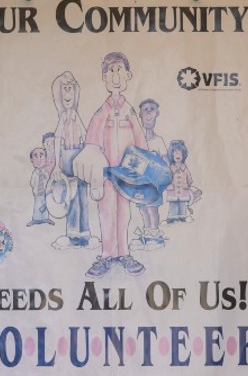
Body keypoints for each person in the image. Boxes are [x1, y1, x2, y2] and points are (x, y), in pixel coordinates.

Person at [73, 52, 148, 276]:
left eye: (119, 71)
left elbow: (140, 140)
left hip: (125, 175)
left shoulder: (130, 112)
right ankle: (107, 255)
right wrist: (95, 165)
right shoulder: (101, 113)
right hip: (105, 175)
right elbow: (92, 141)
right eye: (110, 71)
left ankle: (124, 253)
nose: (115, 76)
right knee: (106, 213)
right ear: (104, 78)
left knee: (124, 212)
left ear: (128, 75)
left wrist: (140, 168)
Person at [49, 70, 91, 247]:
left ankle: (85, 232)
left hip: (78, 157)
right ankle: (73, 233)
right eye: (64, 89)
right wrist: (57, 165)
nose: (68, 94)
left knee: (83, 195)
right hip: (66, 159)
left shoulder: (76, 117)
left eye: (70, 89)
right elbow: (58, 141)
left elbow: (86, 138)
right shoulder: (62, 120)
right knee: (71, 196)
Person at [134, 98, 168, 248]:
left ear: (157, 114)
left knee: (152, 209)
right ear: (139, 115)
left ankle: (154, 233)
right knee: (142, 208)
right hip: (140, 184)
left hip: (154, 184)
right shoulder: (136, 141)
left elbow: (166, 163)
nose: (148, 114)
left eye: (152, 110)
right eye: (145, 110)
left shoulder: (159, 141)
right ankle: (147, 232)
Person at [164, 139, 201, 223]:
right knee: (173, 205)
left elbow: (189, 179)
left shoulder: (185, 169)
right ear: (171, 154)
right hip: (173, 191)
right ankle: (172, 218)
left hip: (183, 191)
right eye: (175, 152)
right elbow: (167, 179)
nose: (178, 154)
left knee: (182, 204)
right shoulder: (170, 169)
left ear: (183, 155)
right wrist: (168, 186)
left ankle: (182, 217)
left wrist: (187, 186)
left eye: (180, 152)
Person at [26, 145, 54, 226]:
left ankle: (45, 218)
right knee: (37, 206)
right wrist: (35, 189)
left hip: (45, 193)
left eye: (41, 156)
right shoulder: (35, 173)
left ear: (45, 159)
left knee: (45, 206)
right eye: (35, 156)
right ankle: (36, 219)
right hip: (37, 194)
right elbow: (32, 183)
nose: (38, 159)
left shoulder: (46, 172)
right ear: (31, 160)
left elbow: (49, 182)